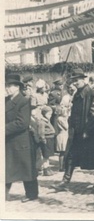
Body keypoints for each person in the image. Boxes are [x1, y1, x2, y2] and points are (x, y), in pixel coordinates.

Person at [51, 68, 94, 191]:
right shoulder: (77, 94)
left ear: (83, 79)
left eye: (77, 80)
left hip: (89, 132)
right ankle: (65, 180)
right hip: (76, 131)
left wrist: (87, 131)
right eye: (73, 81)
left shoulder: (92, 93)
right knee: (71, 155)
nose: (75, 83)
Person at [5, 74, 39, 203]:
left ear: (17, 87)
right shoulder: (5, 101)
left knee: (27, 168)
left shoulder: (24, 101)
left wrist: (3, 129)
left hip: (21, 141)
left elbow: (22, 123)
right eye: (6, 85)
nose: (7, 88)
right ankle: (4, 194)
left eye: (10, 86)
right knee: (7, 168)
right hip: (9, 140)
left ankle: (32, 194)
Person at [36, 106, 56, 176]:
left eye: (51, 114)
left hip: (50, 139)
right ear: (44, 114)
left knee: (47, 156)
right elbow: (41, 132)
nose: (50, 116)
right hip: (46, 140)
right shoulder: (42, 122)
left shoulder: (47, 121)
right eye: (49, 114)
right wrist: (43, 139)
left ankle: (47, 168)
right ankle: (45, 169)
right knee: (45, 155)